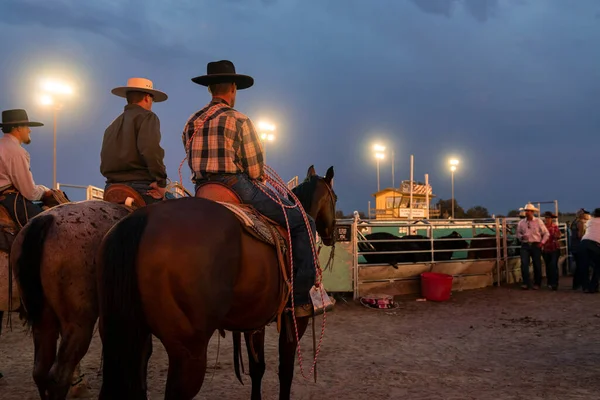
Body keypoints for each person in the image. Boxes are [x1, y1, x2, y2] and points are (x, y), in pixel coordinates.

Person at [182, 60, 317, 317]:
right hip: (235, 185)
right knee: (303, 222)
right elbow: (255, 170)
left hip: (202, 190)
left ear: (210, 88)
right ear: (233, 88)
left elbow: (190, 158)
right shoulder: (239, 119)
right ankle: (299, 298)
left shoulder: (192, 122)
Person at [100, 77, 172, 205]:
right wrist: (161, 181)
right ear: (147, 98)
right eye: (152, 100)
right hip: (140, 187)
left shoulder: (111, 126)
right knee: (178, 210)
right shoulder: (148, 117)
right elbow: (150, 149)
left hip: (111, 188)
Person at [0, 109, 53, 227]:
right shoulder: (16, 152)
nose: (29, 130)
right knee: (49, 224)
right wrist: (45, 190)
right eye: (27, 126)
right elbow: (29, 192)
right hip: (8, 200)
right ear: (18, 128)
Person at [516, 203, 549, 290]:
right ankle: (526, 282)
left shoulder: (538, 221)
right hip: (525, 244)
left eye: (528, 211)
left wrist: (542, 243)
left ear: (532, 212)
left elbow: (546, 233)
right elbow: (518, 233)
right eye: (526, 211)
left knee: (537, 264)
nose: (527, 212)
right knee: (524, 264)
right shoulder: (521, 223)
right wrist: (521, 237)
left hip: (535, 244)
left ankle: (537, 283)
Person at [577, 208, 600, 293]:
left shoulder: (590, 221)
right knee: (598, 266)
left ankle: (585, 287)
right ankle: (593, 285)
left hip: (583, 243)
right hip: (595, 244)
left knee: (584, 266)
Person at [571, 208, 591, 290]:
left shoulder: (574, 222)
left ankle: (576, 284)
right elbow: (580, 235)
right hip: (580, 246)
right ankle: (582, 284)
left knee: (579, 266)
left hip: (574, 246)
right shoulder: (580, 223)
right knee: (582, 266)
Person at [541, 211, 561, 290]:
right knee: (548, 266)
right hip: (546, 248)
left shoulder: (554, 227)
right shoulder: (543, 227)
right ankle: (551, 282)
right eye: (546, 218)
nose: (547, 219)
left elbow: (558, 235)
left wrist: (557, 236)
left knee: (553, 265)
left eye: (548, 218)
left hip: (554, 248)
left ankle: (554, 283)